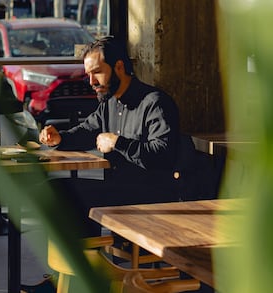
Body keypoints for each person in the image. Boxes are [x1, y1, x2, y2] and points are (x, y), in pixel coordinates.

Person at [39, 36, 182, 237]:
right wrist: (59, 138)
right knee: (53, 190)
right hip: (119, 189)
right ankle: (83, 261)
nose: (91, 82)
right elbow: (87, 131)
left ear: (119, 67)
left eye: (97, 72)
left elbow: (162, 155)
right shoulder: (109, 104)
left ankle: (85, 262)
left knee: (65, 194)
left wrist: (118, 143)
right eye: (88, 75)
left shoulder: (155, 103)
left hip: (148, 194)